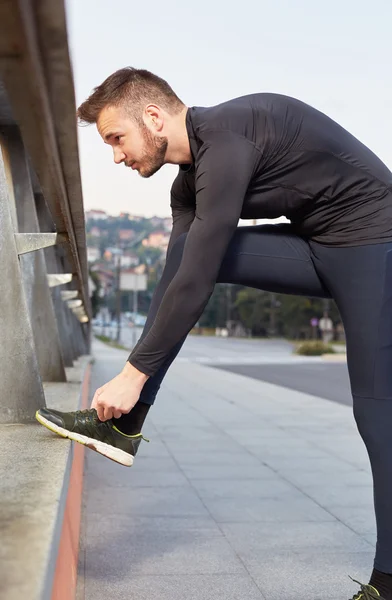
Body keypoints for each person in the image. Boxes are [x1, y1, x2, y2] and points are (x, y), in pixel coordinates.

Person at [36, 67, 392, 599]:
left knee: (376, 411)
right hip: (318, 248)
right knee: (180, 255)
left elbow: (202, 274)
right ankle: (126, 422)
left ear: (153, 118)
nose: (116, 155)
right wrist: (138, 380)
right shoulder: (188, 184)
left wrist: (131, 373)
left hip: (377, 244)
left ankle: (387, 582)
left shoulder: (229, 135)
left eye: (117, 138)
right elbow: (184, 273)